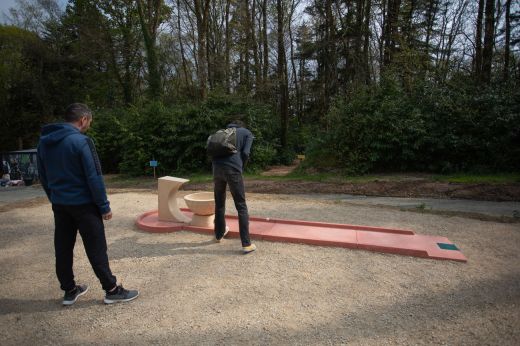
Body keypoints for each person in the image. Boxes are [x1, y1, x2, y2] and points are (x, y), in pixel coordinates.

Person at [37, 103, 139, 305]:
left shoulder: (44, 143)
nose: (89, 125)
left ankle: (69, 290)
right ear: (83, 120)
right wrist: (103, 205)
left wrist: (54, 197)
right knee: (96, 248)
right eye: (89, 121)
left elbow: (43, 176)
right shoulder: (82, 142)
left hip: (60, 205)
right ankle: (111, 289)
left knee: (63, 247)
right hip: (84, 205)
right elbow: (94, 177)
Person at [212, 117, 256, 253]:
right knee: (241, 205)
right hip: (233, 170)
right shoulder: (246, 133)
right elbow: (246, 152)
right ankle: (246, 244)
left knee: (219, 203)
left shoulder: (223, 132)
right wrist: (240, 166)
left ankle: (219, 235)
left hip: (217, 170)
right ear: (242, 126)